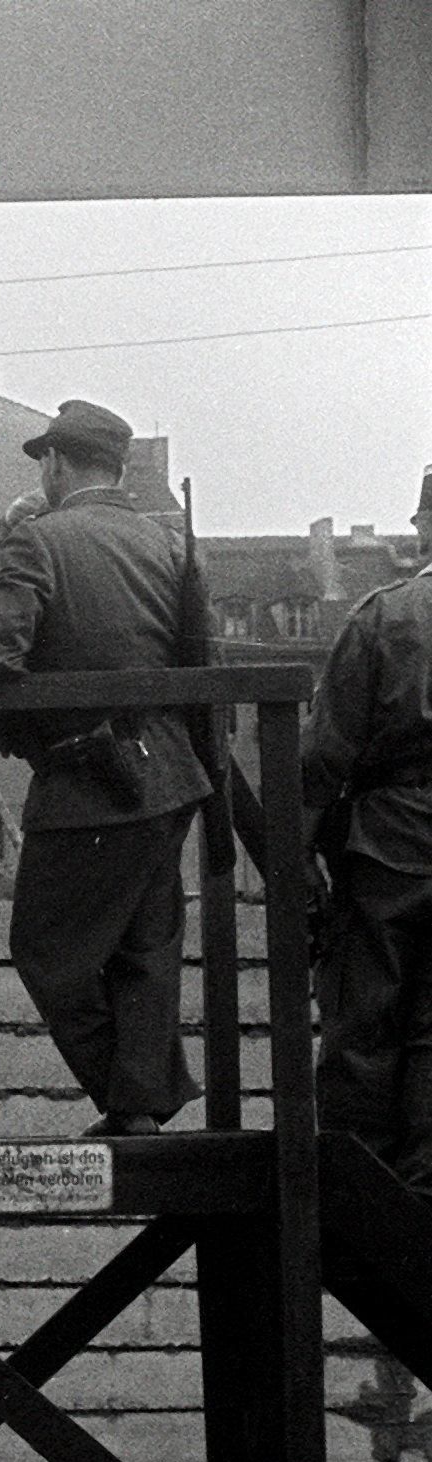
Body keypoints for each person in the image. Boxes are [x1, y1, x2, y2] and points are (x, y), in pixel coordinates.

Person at [0, 398, 211, 1136]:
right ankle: (137, 1107)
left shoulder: (36, 542)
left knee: (44, 952)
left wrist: (22, 734)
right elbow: (196, 657)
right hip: (170, 772)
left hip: (87, 779)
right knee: (143, 948)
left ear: (53, 463)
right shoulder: (167, 545)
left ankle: (132, 1096)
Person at [302, 466, 432, 1188]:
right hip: (392, 835)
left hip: (388, 845)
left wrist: (295, 858)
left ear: (421, 527)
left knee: (362, 1026)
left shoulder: (385, 615)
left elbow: (323, 755)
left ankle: (361, 1205)